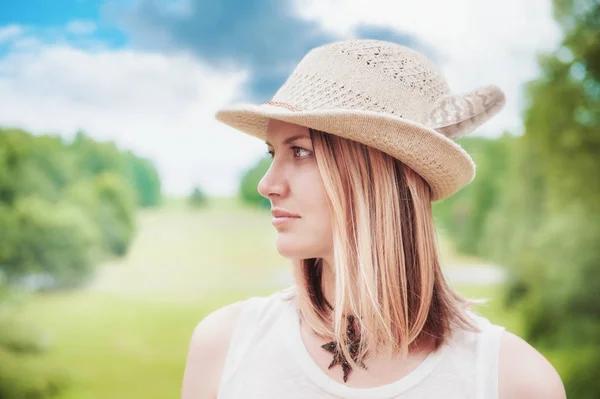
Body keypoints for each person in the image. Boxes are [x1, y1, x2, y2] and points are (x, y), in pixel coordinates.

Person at [181, 39, 566, 399]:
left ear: (374, 176)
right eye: (272, 153)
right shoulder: (227, 346)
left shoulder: (512, 380)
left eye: (299, 152)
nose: (267, 184)